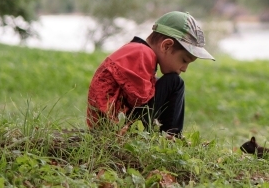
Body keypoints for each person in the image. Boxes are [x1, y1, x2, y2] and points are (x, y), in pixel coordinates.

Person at [86, 11, 214, 135]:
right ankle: (172, 136)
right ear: (166, 46)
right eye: (184, 60)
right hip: (115, 128)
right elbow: (140, 100)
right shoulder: (142, 53)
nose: (184, 68)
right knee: (174, 82)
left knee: (164, 82)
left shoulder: (137, 50)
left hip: (114, 125)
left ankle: (165, 136)